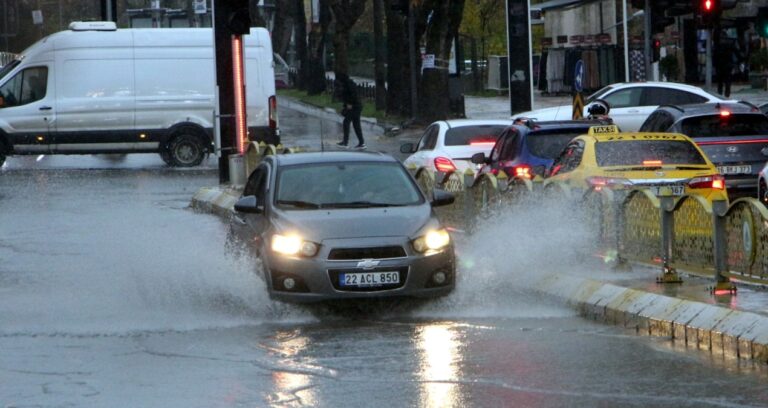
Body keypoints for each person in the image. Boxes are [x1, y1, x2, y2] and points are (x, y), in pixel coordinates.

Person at [334, 73, 365, 149]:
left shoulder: (348, 85)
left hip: (354, 106)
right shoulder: (348, 84)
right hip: (356, 106)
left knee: (346, 122)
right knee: (356, 124)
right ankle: (361, 142)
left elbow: (352, 95)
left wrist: (350, 103)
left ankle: (345, 142)